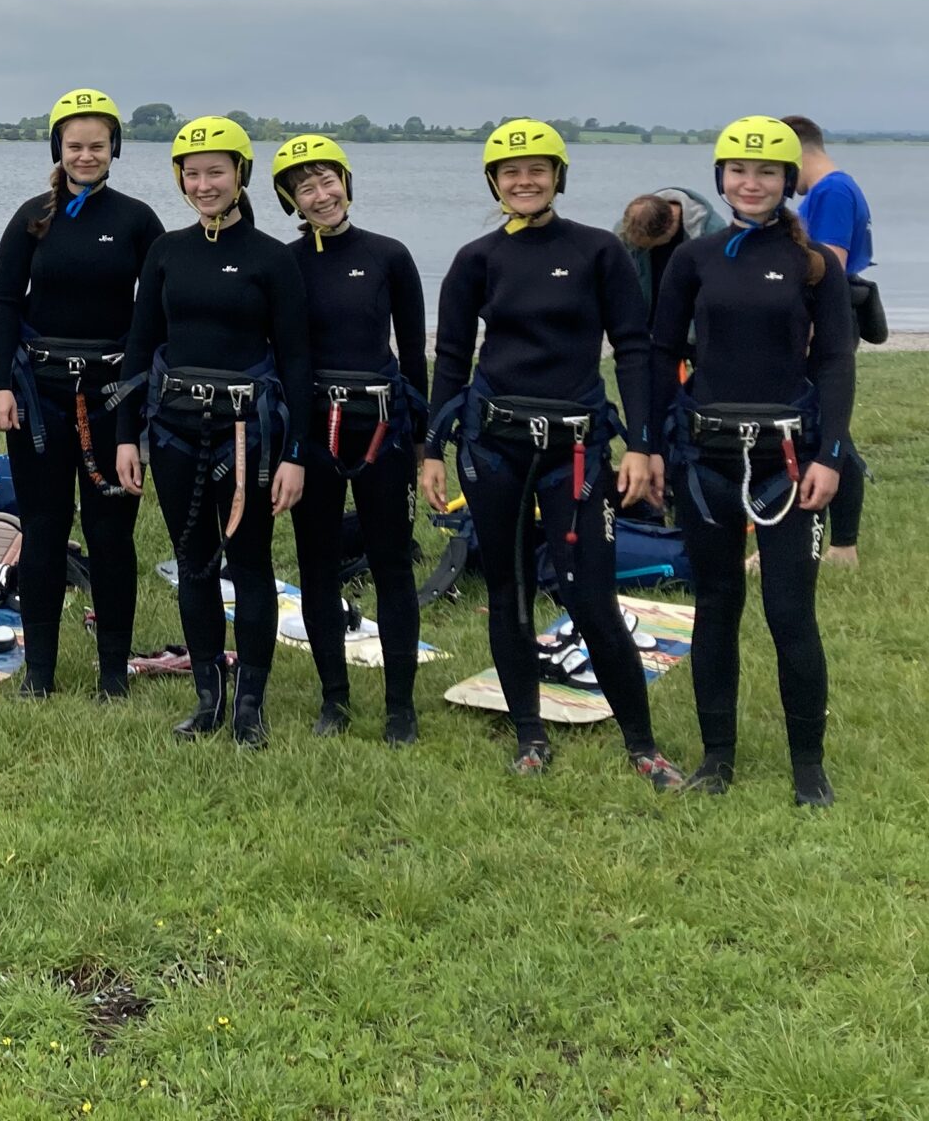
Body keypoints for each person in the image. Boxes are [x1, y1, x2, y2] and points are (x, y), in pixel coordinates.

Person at [418, 119, 688, 790]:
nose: (524, 181)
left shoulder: (599, 253)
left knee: (590, 595)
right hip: (495, 447)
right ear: (493, 182)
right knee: (508, 594)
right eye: (510, 172)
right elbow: (450, 357)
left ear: (559, 177)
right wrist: (430, 450)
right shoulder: (476, 259)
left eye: (537, 170)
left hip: (577, 451)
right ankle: (530, 736)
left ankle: (643, 745)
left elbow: (633, 348)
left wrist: (644, 445)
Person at [651, 116, 856, 807]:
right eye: (739, 171)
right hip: (706, 458)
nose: (752, 183)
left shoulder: (815, 264)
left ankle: (808, 769)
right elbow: (657, 352)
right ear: (720, 178)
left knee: (790, 612)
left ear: (788, 181)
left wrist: (830, 455)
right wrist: (650, 444)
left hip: (789, 464)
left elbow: (834, 362)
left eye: (767, 172)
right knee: (716, 606)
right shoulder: (694, 259)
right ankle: (718, 758)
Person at [113, 118, 311, 749]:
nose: (203, 185)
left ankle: (249, 707)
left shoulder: (272, 258)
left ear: (240, 176)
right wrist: (125, 436)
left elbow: (298, 361)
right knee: (195, 565)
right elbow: (140, 347)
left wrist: (297, 454)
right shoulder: (166, 252)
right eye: (192, 174)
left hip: (246, 436)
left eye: (216, 172)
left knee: (250, 566)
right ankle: (207, 699)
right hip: (173, 431)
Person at [0, 88, 165, 700]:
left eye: (97, 145)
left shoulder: (137, 220)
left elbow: (162, 308)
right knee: (43, 526)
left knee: (112, 535)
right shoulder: (32, 216)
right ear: (57, 149)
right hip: (39, 395)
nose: (86, 155)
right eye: (74, 145)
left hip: (112, 397)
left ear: (115, 148)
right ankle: (40, 674)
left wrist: (145, 395)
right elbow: (4, 302)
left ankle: (113, 672)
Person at [270, 134, 427, 745]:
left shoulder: (390, 255)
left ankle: (400, 708)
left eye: (328, 179)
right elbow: (283, 355)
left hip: (383, 427)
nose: (321, 194)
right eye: (305, 186)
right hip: (314, 429)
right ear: (290, 199)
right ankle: (334, 699)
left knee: (391, 565)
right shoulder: (287, 264)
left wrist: (425, 444)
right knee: (316, 565)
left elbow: (414, 352)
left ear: (347, 181)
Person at [784, 113, 877, 565]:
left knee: (829, 431)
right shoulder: (833, 189)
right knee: (821, 424)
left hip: (828, 320)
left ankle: (843, 544)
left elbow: (831, 265)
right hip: (824, 318)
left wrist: (811, 330)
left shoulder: (832, 191)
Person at [616, 186, 723, 314]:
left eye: (645, 246)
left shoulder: (712, 236)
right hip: (643, 325)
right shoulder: (625, 231)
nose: (638, 248)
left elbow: (715, 297)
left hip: (689, 325)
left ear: (669, 230)